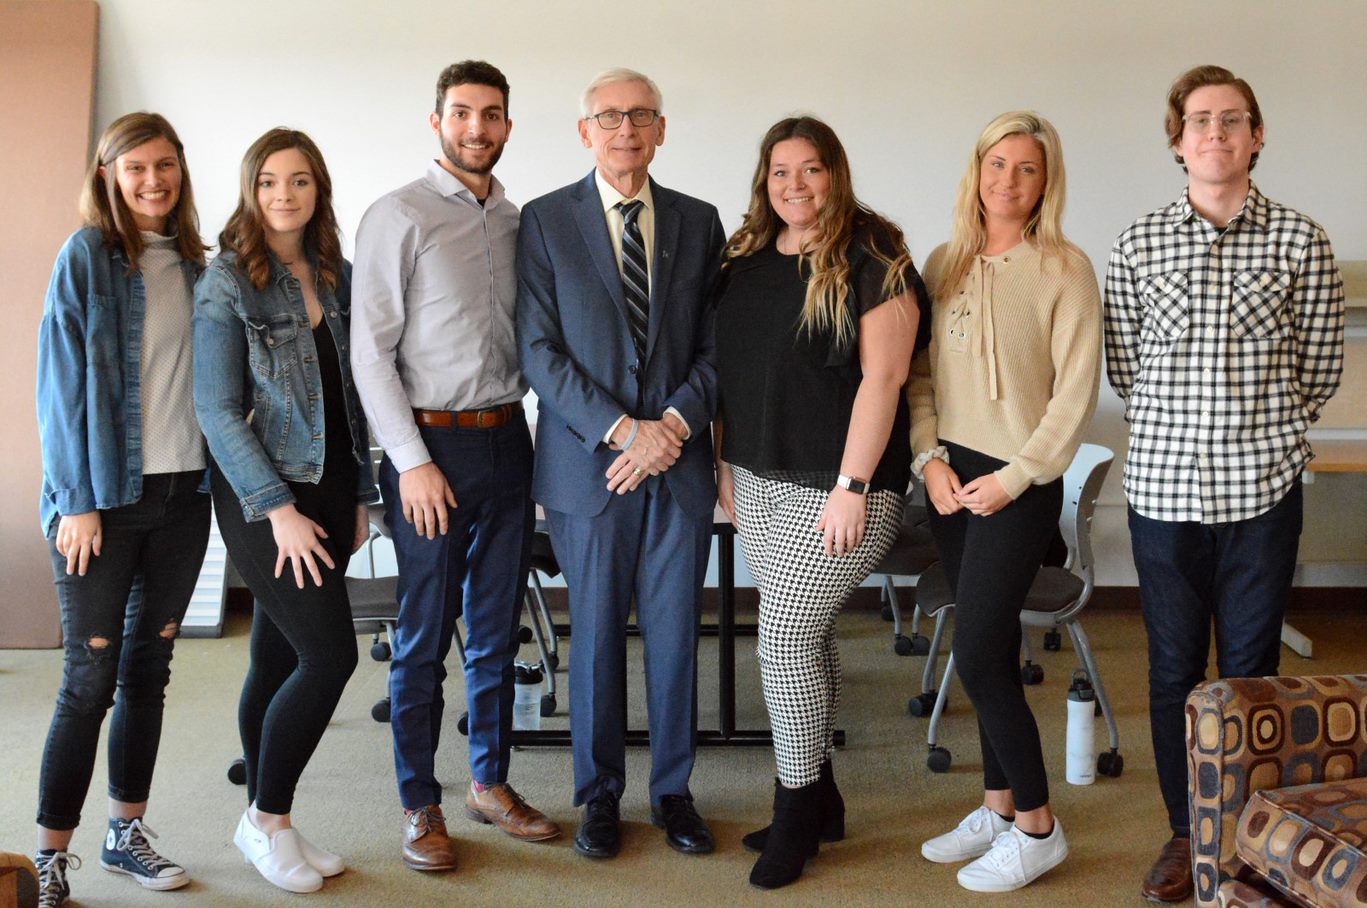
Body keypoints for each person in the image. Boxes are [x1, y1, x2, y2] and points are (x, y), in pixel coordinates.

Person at [1103, 65, 1344, 903]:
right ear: (1177, 141)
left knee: (1247, 670)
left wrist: (1257, 427)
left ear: (1255, 136)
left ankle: (1242, 833)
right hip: (1163, 492)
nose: (1214, 133)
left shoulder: (1300, 240)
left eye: (1231, 120)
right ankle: (1185, 831)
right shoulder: (1136, 244)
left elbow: (1317, 368)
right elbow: (1126, 368)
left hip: (1263, 491)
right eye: (1199, 121)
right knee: (1173, 670)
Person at [350, 60, 558, 874]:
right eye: (463, 113)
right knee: (424, 636)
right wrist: (409, 462)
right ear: (436, 120)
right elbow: (370, 356)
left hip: (509, 438)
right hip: (428, 451)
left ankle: (489, 782)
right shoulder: (395, 215)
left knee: (498, 626)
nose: (478, 128)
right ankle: (418, 803)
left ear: (508, 125)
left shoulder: (516, 220)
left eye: (493, 114)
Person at [714, 116, 927, 889]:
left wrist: (851, 486)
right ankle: (824, 800)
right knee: (806, 640)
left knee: (781, 643)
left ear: (834, 173)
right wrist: (725, 465)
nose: (794, 186)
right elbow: (728, 369)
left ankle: (796, 808)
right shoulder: (743, 259)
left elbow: (884, 379)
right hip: (759, 478)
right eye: (779, 172)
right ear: (763, 180)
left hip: (843, 489)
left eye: (810, 169)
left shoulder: (874, 254)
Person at [517, 67, 724, 861]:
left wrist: (668, 426)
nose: (625, 128)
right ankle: (598, 797)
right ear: (584, 133)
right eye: (608, 116)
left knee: (675, 639)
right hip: (587, 472)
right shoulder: (543, 222)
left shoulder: (700, 223)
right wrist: (620, 430)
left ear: (661, 129)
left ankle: (672, 792)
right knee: (596, 639)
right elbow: (538, 350)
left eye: (640, 115)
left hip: (676, 466)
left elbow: (715, 349)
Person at [908, 110, 1101, 893]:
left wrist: (1017, 476)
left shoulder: (1064, 268)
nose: (1008, 180)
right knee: (977, 635)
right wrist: (927, 460)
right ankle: (994, 806)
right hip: (950, 476)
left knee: (981, 651)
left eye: (1026, 168)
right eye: (997, 164)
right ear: (976, 169)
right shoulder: (943, 261)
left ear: (1045, 180)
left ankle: (1037, 826)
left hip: (1015, 483)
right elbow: (919, 380)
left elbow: (1073, 397)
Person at [193, 128, 378, 894]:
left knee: (275, 653)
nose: (283, 195)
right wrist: (276, 509)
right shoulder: (229, 280)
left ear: (317, 189)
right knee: (330, 655)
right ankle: (266, 820)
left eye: (298, 181)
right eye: (268, 181)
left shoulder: (334, 272)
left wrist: (362, 494)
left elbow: (353, 392)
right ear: (250, 188)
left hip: (331, 486)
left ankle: (268, 820)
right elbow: (217, 408)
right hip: (267, 496)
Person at [33, 111, 210, 907]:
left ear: (181, 171)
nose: (151, 181)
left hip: (184, 498)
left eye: (164, 165)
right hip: (102, 501)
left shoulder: (203, 267)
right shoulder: (88, 259)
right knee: (89, 676)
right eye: (134, 167)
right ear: (107, 175)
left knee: (149, 670)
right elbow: (59, 392)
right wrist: (77, 502)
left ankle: (123, 834)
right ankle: (48, 856)